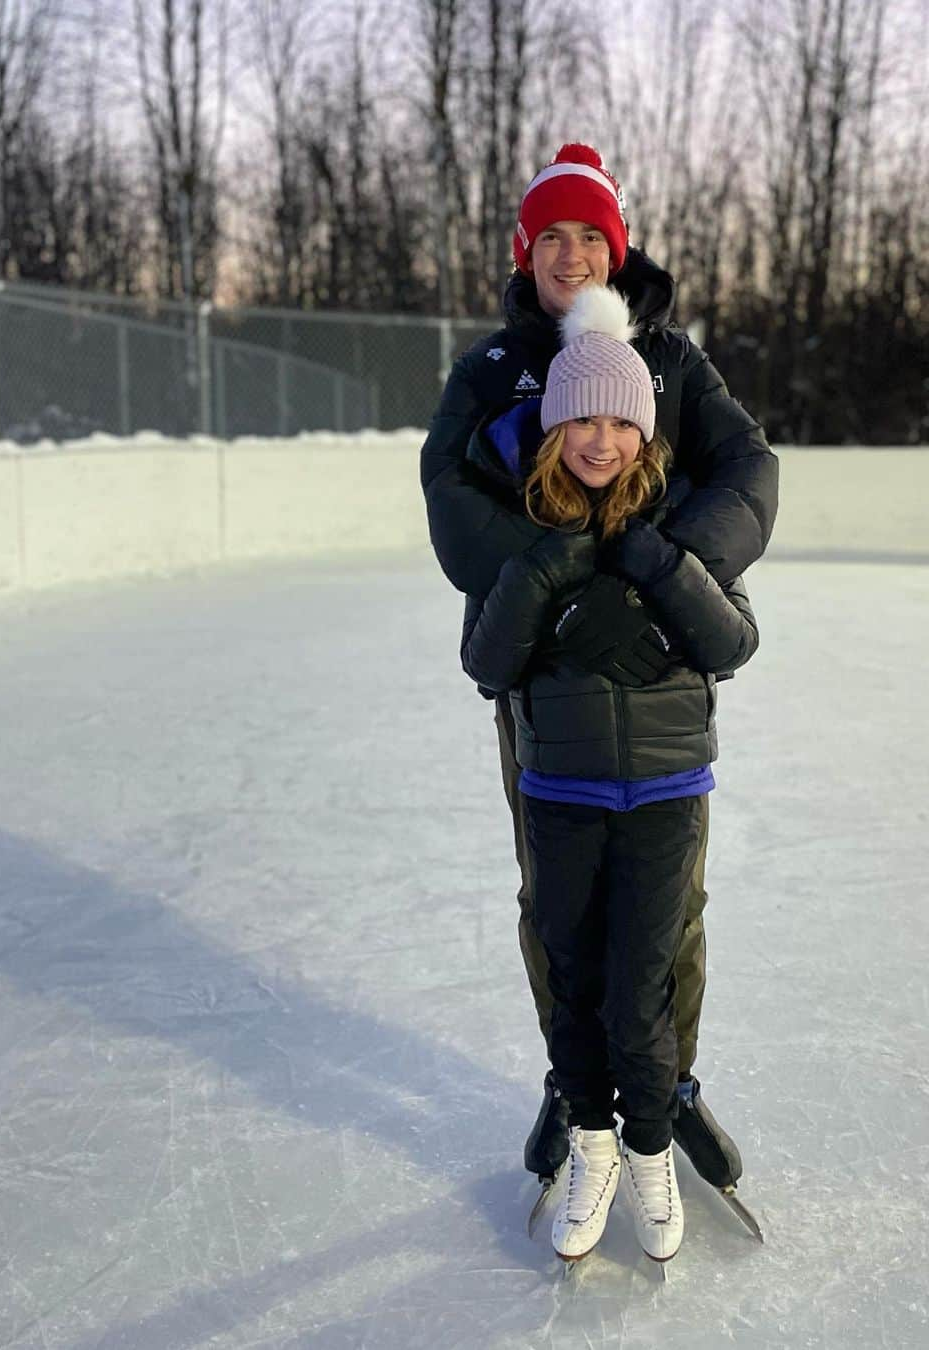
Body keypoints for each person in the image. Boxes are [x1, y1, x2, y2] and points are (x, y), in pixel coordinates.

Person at [420, 143, 779, 1192]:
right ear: (524, 252)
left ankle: (669, 1087)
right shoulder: (489, 372)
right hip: (544, 675)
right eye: (552, 238)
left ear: (615, 252)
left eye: (591, 237)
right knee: (557, 901)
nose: (571, 255)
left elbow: (748, 470)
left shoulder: (671, 361)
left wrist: (663, 582)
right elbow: (451, 497)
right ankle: (574, 1082)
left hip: (662, 670)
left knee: (673, 903)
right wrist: (563, 600)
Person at [459, 285, 758, 1262]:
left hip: (668, 791)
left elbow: (733, 637)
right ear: (553, 429)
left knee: (642, 992)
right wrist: (545, 576)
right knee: (579, 986)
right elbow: (486, 663)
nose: (601, 439)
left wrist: (659, 569)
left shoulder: (680, 523)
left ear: (645, 426)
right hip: (564, 794)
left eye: (620, 419)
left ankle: (652, 1148)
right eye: (581, 418)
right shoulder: (528, 532)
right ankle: (592, 1144)